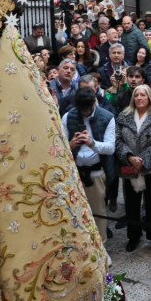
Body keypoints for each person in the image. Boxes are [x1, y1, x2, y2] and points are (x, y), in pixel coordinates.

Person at [116, 84, 151, 255]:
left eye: (143, 95)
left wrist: (143, 161)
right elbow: (118, 141)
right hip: (129, 166)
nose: (139, 98)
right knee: (131, 204)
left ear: (150, 97)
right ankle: (133, 236)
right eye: (136, 95)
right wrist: (130, 157)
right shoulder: (124, 116)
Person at [61, 87, 115, 244]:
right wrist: (70, 144)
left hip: (96, 172)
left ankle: (101, 246)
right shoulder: (68, 116)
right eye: (81, 110)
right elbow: (58, 146)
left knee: (98, 212)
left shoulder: (107, 117)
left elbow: (110, 148)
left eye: (88, 109)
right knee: (75, 212)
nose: (84, 113)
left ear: (94, 102)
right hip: (75, 173)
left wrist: (92, 143)